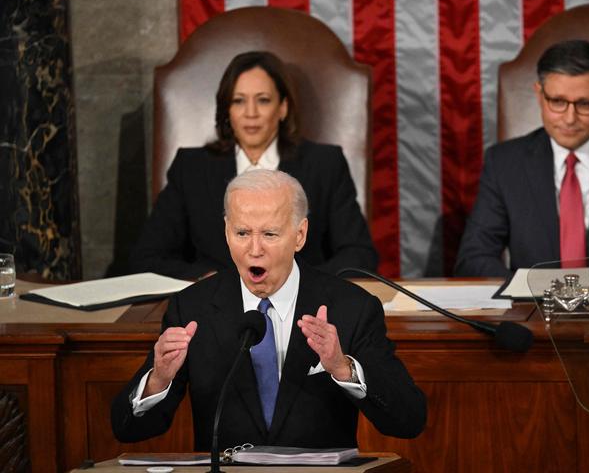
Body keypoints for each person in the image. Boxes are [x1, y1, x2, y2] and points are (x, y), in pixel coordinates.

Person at [112, 169, 426, 450]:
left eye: (270, 234)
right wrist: (158, 380)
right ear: (226, 231)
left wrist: (344, 368)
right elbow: (127, 429)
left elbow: (409, 420)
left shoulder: (351, 308)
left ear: (299, 235)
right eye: (242, 233)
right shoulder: (193, 308)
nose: (254, 249)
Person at [129, 51, 378, 280]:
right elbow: (147, 259)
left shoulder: (324, 164)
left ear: (282, 108)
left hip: (304, 311)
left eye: (263, 100)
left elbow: (359, 255)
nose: (251, 113)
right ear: (227, 110)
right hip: (215, 310)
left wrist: (296, 284)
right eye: (238, 101)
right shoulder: (191, 168)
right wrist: (211, 280)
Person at [455, 39, 589, 277]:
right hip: (534, 308)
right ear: (539, 95)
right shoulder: (504, 163)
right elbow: (474, 258)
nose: (569, 118)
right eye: (557, 101)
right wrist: (527, 290)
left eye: (585, 104)